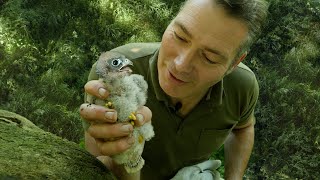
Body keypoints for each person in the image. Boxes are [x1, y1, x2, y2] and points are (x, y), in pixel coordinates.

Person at [80, 0, 268, 179]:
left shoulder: (242, 87)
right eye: (180, 36)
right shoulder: (116, 75)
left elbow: (244, 128)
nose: (180, 65)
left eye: (209, 58)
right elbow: (100, 164)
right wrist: (128, 151)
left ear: (234, 63)